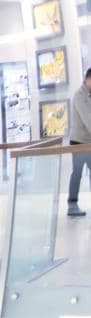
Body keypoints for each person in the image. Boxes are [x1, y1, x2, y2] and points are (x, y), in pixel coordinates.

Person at [65, 66, 91, 215]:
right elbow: (88, 121)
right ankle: (72, 205)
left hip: (89, 142)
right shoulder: (79, 96)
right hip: (79, 142)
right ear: (88, 80)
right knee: (77, 173)